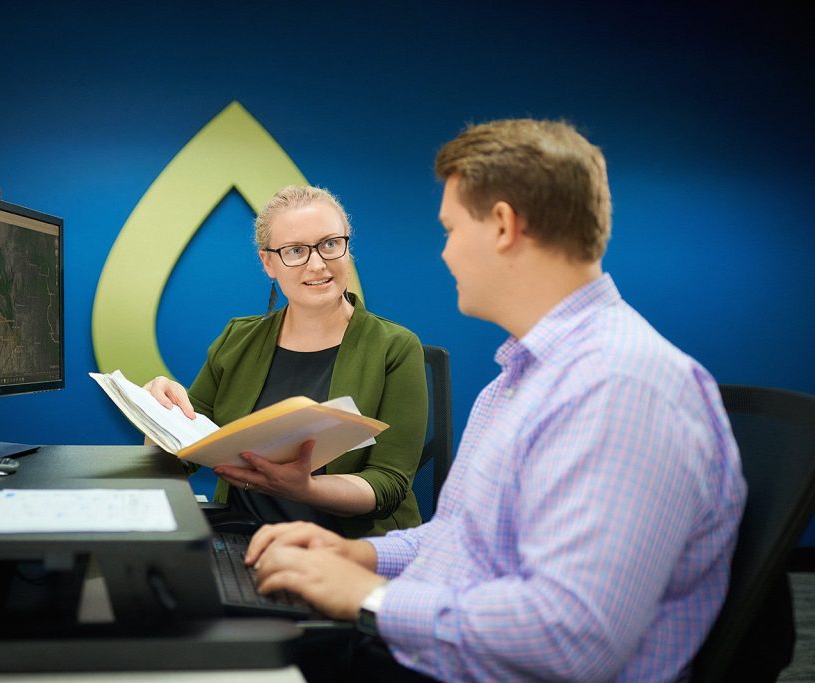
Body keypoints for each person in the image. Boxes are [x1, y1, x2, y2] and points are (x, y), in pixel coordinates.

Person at [246, 120, 747, 682]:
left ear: (504, 226)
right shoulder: (516, 381)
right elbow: (463, 538)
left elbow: (575, 637)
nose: (446, 255)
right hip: (428, 653)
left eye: (451, 229)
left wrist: (373, 598)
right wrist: (360, 558)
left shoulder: (621, 386)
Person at [144, 185, 427, 538]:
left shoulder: (395, 348)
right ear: (268, 263)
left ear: (346, 247)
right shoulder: (237, 339)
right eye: (295, 250)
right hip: (243, 538)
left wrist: (303, 489)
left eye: (330, 244)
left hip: (348, 550)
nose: (318, 263)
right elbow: (181, 455)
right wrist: (156, 415)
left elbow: (388, 483)